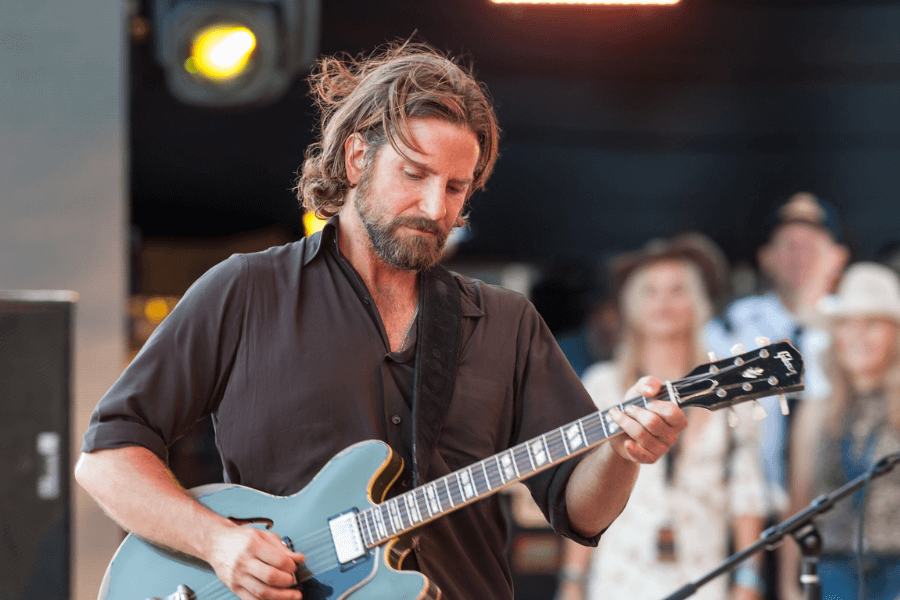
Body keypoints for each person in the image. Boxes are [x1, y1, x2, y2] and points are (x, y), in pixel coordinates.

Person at [74, 43, 687, 600]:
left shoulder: (504, 322)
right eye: (414, 175)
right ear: (357, 157)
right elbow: (106, 457)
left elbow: (580, 510)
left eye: (455, 188)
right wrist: (218, 542)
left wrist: (624, 452)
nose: (434, 208)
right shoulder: (248, 290)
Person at [556, 235, 768, 600]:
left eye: (677, 290)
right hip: (618, 580)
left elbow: (747, 496)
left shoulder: (729, 387)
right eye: (650, 291)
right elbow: (582, 491)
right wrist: (572, 581)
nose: (663, 302)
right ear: (631, 305)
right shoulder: (603, 385)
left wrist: (747, 583)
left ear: (698, 302)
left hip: (703, 579)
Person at [707, 192, 849, 511]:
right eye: (789, 246)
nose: (801, 257)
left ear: (838, 257)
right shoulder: (732, 326)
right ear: (765, 257)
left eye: (813, 247)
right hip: (749, 509)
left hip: (836, 513)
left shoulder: (859, 329)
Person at [785, 262, 900, 600]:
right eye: (846, 325)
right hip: (832, 569)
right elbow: (798, 504)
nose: (857, 336)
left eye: (871, 325)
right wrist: (789, 584)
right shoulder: (817, 413)